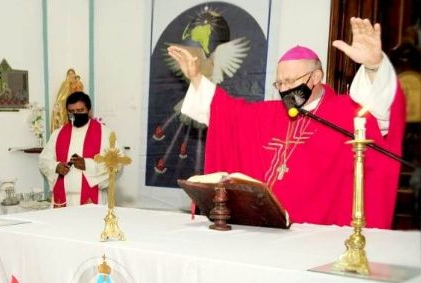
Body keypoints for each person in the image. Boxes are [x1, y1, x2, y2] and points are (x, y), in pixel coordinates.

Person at [168, 17, 405, 228]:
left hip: (317, 233)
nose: (285, 89)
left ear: (316, 77)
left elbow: (381, 112)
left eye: (291, 81)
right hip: (264, 227)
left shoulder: (344, 113)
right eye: (280, 83)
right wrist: (196, 77)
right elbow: (226, 113)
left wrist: (374, 67)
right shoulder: (270, 113)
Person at [39, 91, 111, 208]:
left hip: (93, 200)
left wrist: (87, 165)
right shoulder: (58, 134)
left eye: (80, 110)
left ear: (89, 111)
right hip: (63, 199)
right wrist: (56, 167)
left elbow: (115, 164)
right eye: (71, 111)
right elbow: (43, 161)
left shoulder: (104, 133)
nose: (75, 114)